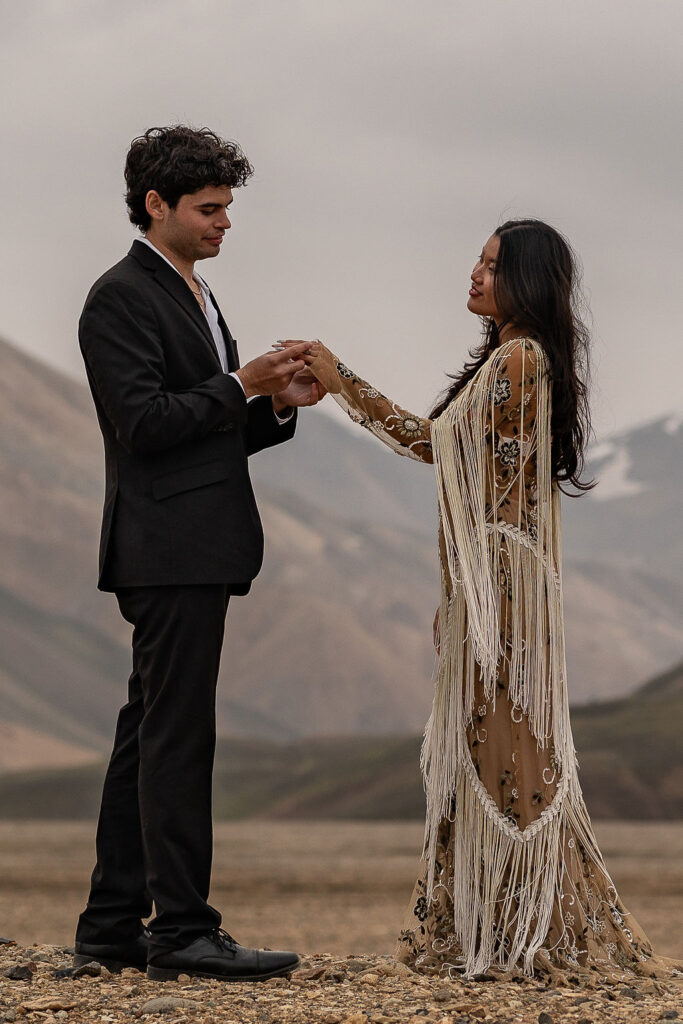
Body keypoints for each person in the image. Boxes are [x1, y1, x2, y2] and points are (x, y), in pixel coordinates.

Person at [281, 219, 682, 984]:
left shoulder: (523, 359)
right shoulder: (512, 358)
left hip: (504, 585)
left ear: (527, 280)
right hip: (493, 579)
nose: (474, 273)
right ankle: (500, 927)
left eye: (493, 265)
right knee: (486, 745)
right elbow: (468, 470)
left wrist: (340, 380)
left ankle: (534, 930)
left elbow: (430, 445)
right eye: (478, 258)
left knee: (507, 751)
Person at [74, 125, 324, 982]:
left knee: (149, 736)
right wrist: (237, 386)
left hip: (194, 543)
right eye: (208, 209)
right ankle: (181, 928)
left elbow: (204, 433)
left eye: (227, 208)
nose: (224, 224)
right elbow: (143, 425)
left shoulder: (194, 294)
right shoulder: (121, 297)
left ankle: (111, 925)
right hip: (166, 547)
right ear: (156, 205)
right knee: (178, 740)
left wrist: (275, 405)